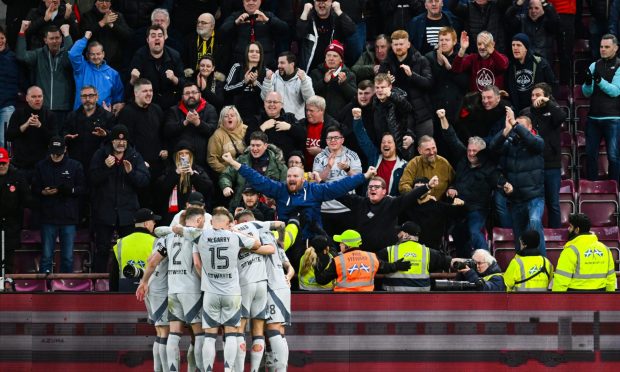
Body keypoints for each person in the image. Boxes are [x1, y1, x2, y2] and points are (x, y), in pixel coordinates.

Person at [220, 151, 377, 259]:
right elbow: (257, 179)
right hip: (284, 240)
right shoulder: (280, 190)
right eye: (289, 176)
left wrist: (364, 176)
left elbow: (340, 186)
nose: (291, 178)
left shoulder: (314, 190)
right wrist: (234, 163)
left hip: (311, 240)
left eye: (295, 176)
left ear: (303, 179)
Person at [178, 207, 260, 372]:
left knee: (209, 336)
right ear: (228, 223)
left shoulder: (202, 234)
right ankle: (228, 370)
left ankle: (208, 369)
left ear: (211, 221)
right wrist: (235, 231)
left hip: (210, 293)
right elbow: (257, 244)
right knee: (231, 334)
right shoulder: (234, 235)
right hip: (231, 292)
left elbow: (176, 229)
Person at [136, 207, 206, 372]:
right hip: (191, 289)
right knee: (199, 334)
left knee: (173, 334)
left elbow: (152, 260)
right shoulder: (196, 234)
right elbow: (198, 263)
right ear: (199, 219)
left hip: (173, 290)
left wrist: (144, 281)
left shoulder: (168, 237)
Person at [437, 108, 499, 256]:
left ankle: (487, 261)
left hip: (477, 209)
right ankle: (465, 264)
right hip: (458, 210)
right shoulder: (463, 159)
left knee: (474, 231)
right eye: (469, 150)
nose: (471, 154)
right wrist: (443, 118)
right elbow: (451, 138)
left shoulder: (489, 168)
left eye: (475, 152)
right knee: (455, 232)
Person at [89, 124, 150, 273]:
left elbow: (145, 181)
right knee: (102, 249)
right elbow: (91, 179)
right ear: (112, 141)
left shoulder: (135, 156)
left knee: (127, 251)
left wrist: (131, 173)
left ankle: (125, 284)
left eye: (124, 141)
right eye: (117, 140)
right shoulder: (100, 154)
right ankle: (98, 284)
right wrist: (105, 168)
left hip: (127, 213)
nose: (121, 143)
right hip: (105, 212)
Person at [490, 108, 546, 256]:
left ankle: (542, 262)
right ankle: (523, 266)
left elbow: (533, 142)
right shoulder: (509, 144)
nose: (516, 128)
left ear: (529, 128)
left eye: (520, 125)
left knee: (534, 222)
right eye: (515, 125)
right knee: (520, 238)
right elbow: (492, 148)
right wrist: (505, 131)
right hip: (516, 198)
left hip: (534, 196)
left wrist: (515, 124)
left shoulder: (537, 141)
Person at [338, 176, 439, 252]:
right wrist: (322, 183)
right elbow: (338, 194)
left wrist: (427, 186)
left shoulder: (392, 204)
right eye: (370, 187)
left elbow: (410, 196)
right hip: (365, 255)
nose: (372, 189)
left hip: (387, 255)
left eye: (376, 187)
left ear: (384, 191)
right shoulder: (360, 203)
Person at [32, 136, 85, 273]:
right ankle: (44, 288)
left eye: (59, 152)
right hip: (48, 217)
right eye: (54, 152)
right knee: (46, 257)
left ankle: (65, 286)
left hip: (68, 218)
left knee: (67, 257)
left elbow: (82, 189)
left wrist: (67, 190)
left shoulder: (75, 166)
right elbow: (34, 188)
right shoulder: (40, 166)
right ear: (49, 150)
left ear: (65, 150)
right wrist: (43, 192)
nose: (56, 155)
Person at [520, 83, 567, 228]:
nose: (534, 98)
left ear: (546, 96)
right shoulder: (526, 113)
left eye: (538, 95)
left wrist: (549, 103)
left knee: (553, 203)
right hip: (532, 164)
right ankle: (533, 237)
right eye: (532, 95)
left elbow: (562, 117)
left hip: (551, 164)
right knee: (532, 203)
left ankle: (556, 235)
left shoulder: (553, 110)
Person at [399, 135, 455, 248]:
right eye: (428, 149)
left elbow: (455, 180)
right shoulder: (414, 163)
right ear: (419, 150)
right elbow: (403, 186)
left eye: (433, 148)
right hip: (416, 211)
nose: (432, 152)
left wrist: (453, 187)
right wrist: (421, 196)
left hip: (437, 212)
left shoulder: (444, 163)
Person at [314, 229, 412, 291]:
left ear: (348, 245)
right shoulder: (371, 257)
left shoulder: (338, 261)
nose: (339, 245)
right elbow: (385, 267)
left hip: (343, 301)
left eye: (341, 242)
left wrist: (316, 263)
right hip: (366, 301)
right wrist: (397, 265)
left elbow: (322, 280)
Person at [378, 29, 433, 139]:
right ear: (391, 46)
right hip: (398, 115)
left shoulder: (421, 60)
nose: (398, 47)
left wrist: (412, 75)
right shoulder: (386, 63)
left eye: (401, 44)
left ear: (408, 44)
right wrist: (386, 81)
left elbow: (429, 83)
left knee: (425, 148)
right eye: (395, 44)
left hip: (420, 113)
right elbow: (379, 85)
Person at [582, 34, 620, 183]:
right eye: (601, 47)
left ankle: (614, 187)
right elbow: (587, 93)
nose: (603, 50)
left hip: (613, 119)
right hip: (593, 118)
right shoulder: (593, 65)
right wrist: (588, 83)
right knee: (591, 154)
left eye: (607, 47)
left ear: (615, 48)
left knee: (614, 156)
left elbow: (615, 91)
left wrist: (599, 80)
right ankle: (591, 185)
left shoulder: (619, 65)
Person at [16, 23, 73, 121]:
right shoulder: (38, 54)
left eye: (57, 38)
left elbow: (72, 56)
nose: (55, 41)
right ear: (45, 40)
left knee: (61, 136)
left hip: (63, 108)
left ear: (61, 39)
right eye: (51, 38)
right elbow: (21, 56)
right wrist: (22, 31)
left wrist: (67, 35)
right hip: (42, 108)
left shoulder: (66, 54)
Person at [312, 126, 363, 236]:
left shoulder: (352, 155)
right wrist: (328, 167)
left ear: (342, 140)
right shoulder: (319, 157)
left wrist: (348, 169)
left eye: (336, 138)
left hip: (347, 209)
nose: (333, 141)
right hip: (325, 210)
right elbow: (317, 181)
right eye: (330, 138)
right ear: (326, 141)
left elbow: (358, 180)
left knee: (348, 246)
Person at [220, 131, 287, 210]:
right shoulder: (241, 159)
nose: (255, 149)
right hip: (242, 204)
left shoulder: (278, 163)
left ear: (265, 146)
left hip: (268, 207)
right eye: (252, 145)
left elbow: (285, 187)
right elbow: (226, 175)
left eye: (258, 145)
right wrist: (226, 186)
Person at [378, 221, 453, 291]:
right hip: (421, 299)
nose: (398, 235)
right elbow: (450, 262)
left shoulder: (389, 250)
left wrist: (394, 266)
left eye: (400, 232)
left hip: (392, 298)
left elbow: (372, 265)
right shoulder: (428, 252)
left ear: (406, 235)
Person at [552, 213, 616, 292]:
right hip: (600, 298)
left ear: (577, 230)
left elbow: (561, 281)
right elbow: (611, 279)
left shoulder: (570, 251)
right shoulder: (605, 249)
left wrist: (557, 301)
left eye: (571, 226)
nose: (568, 229)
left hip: (575, 298)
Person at [63, 85, 115, 178]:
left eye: (91, 95)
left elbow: (114, 136)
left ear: (97, 97)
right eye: (84, 96)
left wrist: (105, 134)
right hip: (76, 162)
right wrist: (66, 136)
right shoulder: (72, 116)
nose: (87, 99)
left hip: (99, 163)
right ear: (80, 98)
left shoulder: (107, 116)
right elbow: (63, 132)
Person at [164, 81, 218, 170]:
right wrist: (184, 122)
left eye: (194, 92)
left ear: (200, 94)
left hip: (203, 161)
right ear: (182, 96)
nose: (191, 95)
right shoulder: (173, 110)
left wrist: (198, 123)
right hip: (179, 160)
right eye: (187, 93)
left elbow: (213, 131)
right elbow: (167, 131)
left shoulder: (210, 109)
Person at [219, 0, 288, 68]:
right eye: (247, 0)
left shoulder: (267, 15)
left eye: (254, 0)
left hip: (266, 62)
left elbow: (285, 30)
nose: (251, 3)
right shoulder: (236, 16)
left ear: (260, 1)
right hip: (240, 62)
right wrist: (236, 22)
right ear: (243, 3)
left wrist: (268, 20)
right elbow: (221, 32)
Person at [129, 24, 184, 110]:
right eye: (153, 36)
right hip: (148, 103)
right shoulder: (139, 56)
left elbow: (184, 82)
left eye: (160, 35)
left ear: (164, 38)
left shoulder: (174, 55)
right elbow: (130, 88)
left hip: (171, 103)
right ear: (147, 40)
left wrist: (174, 78)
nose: (157, 38)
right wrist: (133, 79)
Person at [157, 141, 213, 225]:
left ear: (191, 155)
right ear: (176, 156)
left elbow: (208, 188)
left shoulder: (198, 170)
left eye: (187, 153)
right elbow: (161, 189)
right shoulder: (169, 170)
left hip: (194, 213)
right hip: (173, 214)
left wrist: (193, 175)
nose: (183, 155)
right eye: (181, 153)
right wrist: (175, 174)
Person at [5, 86, 57, 176]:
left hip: (42, 165)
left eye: (40, 96)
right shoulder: (18, 113)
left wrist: (40, 126)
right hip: (20, 165)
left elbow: (54, 140)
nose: (37, 99)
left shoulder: (50, 115)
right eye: (34, 97)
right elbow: (9, 136)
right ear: (27, 98)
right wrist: (25, 125)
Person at [69, 30, 124, 113]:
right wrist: (85, 39)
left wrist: (115, 107)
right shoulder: (81, 68)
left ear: (103, 54)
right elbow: (73, 54)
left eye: (98, 54)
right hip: (82, 114)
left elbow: (118, 97)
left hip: (103, 115)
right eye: (92, 54)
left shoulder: (113, 73)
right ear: (87, 55)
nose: (96, 57)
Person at [425, 27, 468, 128]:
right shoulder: (429, 57)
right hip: (437, 110)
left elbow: (465, 83)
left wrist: (450, 68)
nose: (443, 43)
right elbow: (429, 84)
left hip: (458, 109)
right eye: (441, 40)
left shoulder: (464, 58)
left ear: (454, 41)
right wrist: (439, 65)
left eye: (447, 40)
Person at [297, 0, 356, 72]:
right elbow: (298, 34)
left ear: (331, 2)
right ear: (314, 2)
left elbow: (351, 30)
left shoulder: (337, 19)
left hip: (331, 69)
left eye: (325, 0)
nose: (321, 3)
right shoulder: (308, 18)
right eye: (318, 0)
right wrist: (305, 12)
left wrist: (339, 11)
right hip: (309, 69)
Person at [111, 208, 160, 292]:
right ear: (146, 224)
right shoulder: (157, 242)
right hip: (149, 288)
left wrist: (114, 295)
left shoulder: (120, 243)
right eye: (153, 221)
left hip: (125, 288)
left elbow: (114, 274)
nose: (154, 224)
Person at [247, 91, 305, 160]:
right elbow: (248, 140)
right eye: (269, 102)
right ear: (264, 104)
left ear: (281, 105)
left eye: (275, 102)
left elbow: (303, 135)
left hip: (287, 162)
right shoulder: (256, 119)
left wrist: (290, 127)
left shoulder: (289, 118)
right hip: (263, 163)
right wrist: (262, 127)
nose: (272, 104)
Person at [0, 147, 32, 274]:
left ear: (8, 161)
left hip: (11, 223)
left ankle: (7, 281)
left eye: (3, 163)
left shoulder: (18, 176)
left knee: (9, 255)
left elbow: (27, 199)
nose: (1, 166)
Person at [506, 33, 556, 112]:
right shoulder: (511, 66)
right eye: (513, 45)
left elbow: (553, 84)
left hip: (537, 109)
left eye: (519, 45)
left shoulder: (540, 63)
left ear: (526, 48)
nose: (515, 48)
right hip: (518, 111)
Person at [261, 51, 315, 120]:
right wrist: (267, 81)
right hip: (276, 121)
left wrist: (304, 81)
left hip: (296, 122)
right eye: (278, 63)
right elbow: (265, 98)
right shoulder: (272, 77)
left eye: (282, 63)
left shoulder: (304, 78)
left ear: (292, 64)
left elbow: (310, 100)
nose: (279, 66)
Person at [310, 40, 357, 119]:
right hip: (318, 118)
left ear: (341, 59)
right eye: (328, 55)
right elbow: (309, 95)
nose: (331, 58)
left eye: (335, 56)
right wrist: (324, 82)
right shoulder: (315, 73)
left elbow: (354, 97)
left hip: (340, 120)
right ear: (325, 58)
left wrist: (344, 84)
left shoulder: (350, 75)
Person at [79, 0, 132, 71]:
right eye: (101, 1)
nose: (104, 4)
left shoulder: (117, 16)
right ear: (95, 2)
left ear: (110, 3)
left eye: (107, 1)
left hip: (115, 65)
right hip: (93, 63)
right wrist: (102, 22)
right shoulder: (87, 16)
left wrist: (112, 25)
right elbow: (83, 36)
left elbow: (128, 36)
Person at [224, 41, 269, 123]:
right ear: (246, 54)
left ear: (261, 55)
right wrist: (244, 82)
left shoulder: (266, 71)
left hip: (258, 115)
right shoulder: (237, 67)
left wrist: (255, 83)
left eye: (257, 52)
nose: (254, 54)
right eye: (251, 51)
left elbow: (268, 96)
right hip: (236, 113)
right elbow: (227, 89)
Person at [506, 0, 559, 64]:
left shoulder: (548, 22)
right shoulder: (522, 20)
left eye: (536, 8)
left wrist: (544, 3)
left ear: (543, 9)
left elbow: (555, 21)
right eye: (531, 8)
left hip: (544, 63)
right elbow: (508, 17)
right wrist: (518, 4)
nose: (533, 11)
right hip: (526, 62)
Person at [300, 95, 341, 170]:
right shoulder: (302, 124)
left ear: (321, 110)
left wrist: (321, 151)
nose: (308, 113)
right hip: (303, 170)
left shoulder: (333, 126)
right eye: (307, 110)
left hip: (324, 171)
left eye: (311, 111)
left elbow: (339, 151)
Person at [206, 105, 248, 174]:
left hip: (247, 170)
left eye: (232, 115)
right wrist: (226, 171)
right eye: (226, 116)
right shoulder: (217, 135)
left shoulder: (246, 129)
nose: (229, 117)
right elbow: (212, 159)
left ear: (237, 118)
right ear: (222, 120)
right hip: (229, 172)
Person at [0, 26, 19, 149]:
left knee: (5, 141)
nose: (0, 41)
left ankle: (5, 167)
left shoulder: (13, 58)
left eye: (1, 38)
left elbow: (21, 79)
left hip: (7, 106)